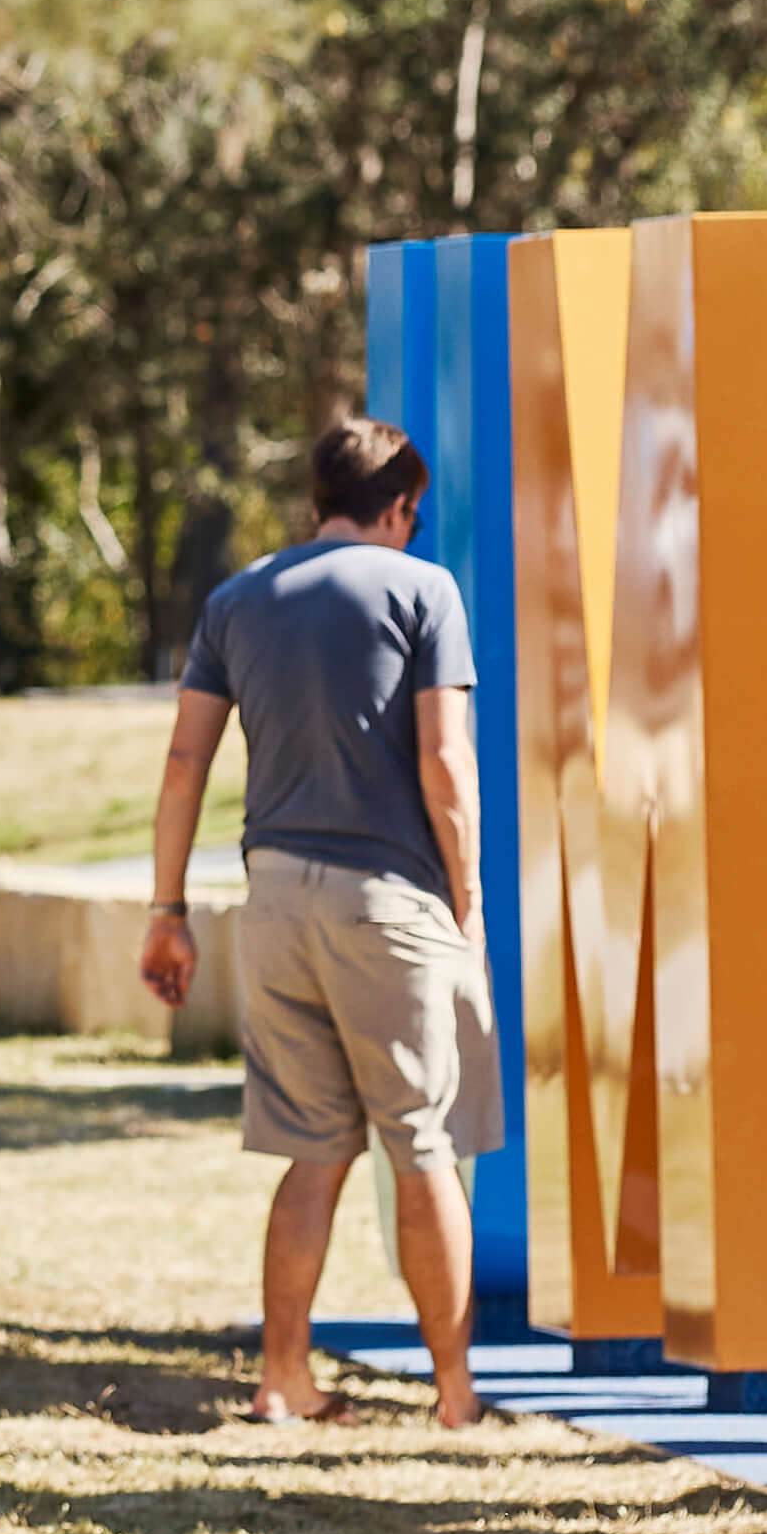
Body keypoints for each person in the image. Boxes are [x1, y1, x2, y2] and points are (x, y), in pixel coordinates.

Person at [138, 416, 492, 1434]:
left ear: (313, 500)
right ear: (398, 507)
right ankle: (453, 1398)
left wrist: (166, 911)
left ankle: (281, 1379)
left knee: (311, 1143)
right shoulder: (424, 590)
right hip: (386, 899)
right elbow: (445, 766)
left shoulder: (235, 598)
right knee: (418, 1140)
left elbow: (182, 765)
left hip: (274, 898)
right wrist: (462, 910)